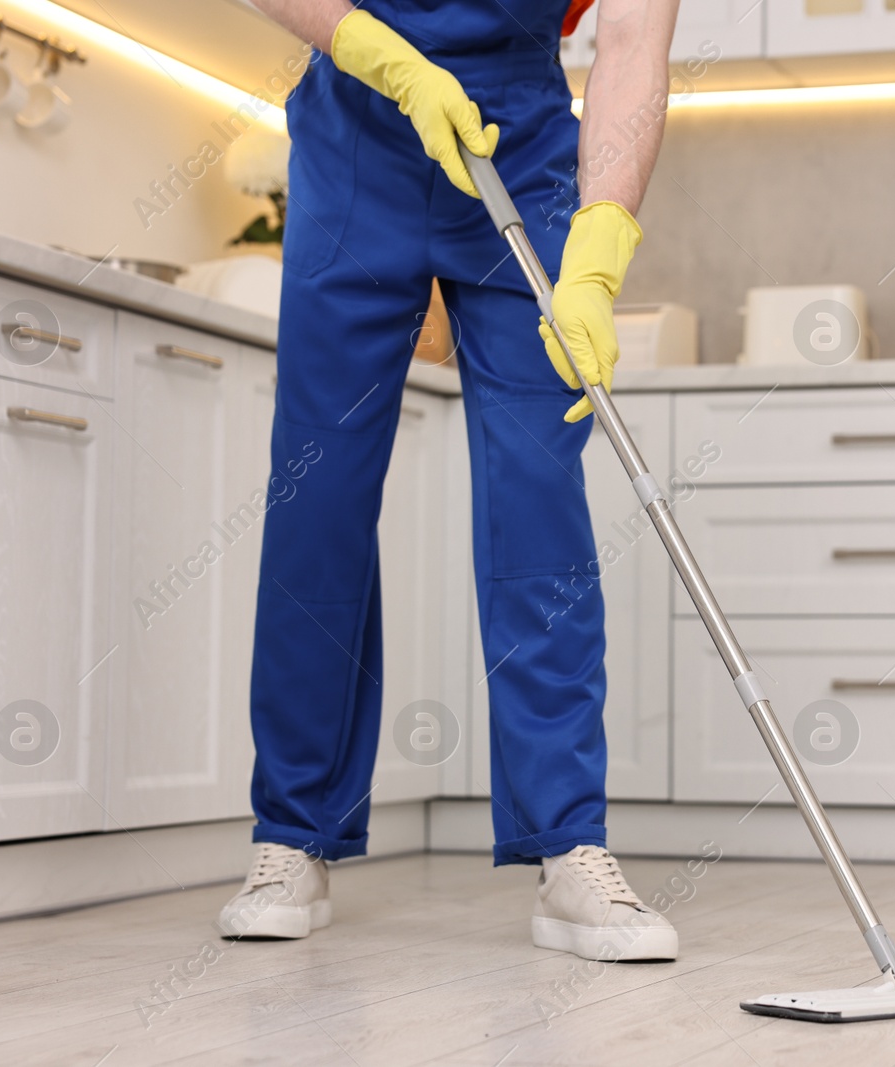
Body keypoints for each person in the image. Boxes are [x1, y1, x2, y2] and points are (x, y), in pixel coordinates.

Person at [216, 0, 681, 963]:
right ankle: (291, 834)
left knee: (538, 495)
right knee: (319, 493)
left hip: (522, 147)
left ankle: (569, 846)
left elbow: (634, 45)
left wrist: (600, 243)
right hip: (358, 138)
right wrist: (376, 53)